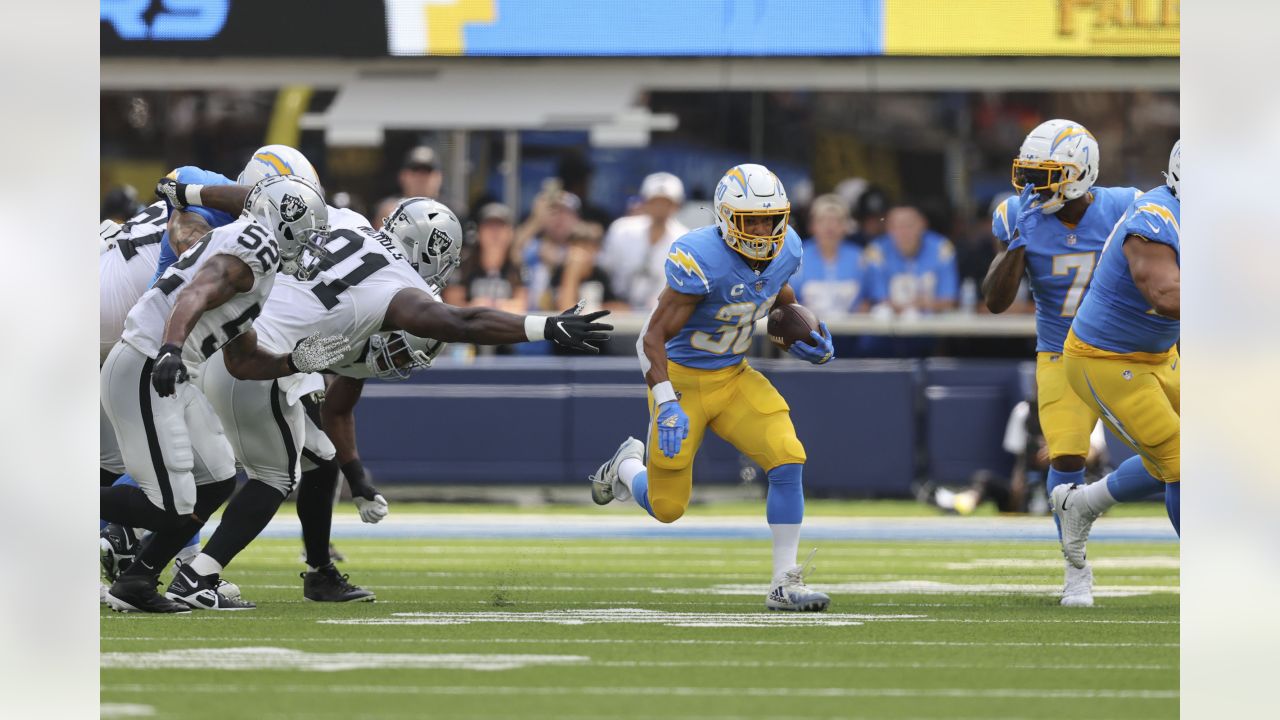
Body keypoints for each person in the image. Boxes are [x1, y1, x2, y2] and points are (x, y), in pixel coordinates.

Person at [156, 182, 612, 609]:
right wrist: (544, 325)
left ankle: (314, 571)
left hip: (226, 337)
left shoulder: (347, 220)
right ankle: (197, 574)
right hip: (264, 362)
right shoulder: (397, 290)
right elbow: (464, 323)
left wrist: (190, 191)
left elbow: (263, 197)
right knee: (273, 477)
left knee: (317, 457)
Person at [587, 164, 835, 612]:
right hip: (680, 381)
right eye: (750, 220)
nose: (762, 231)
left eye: (770, 219)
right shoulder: (700, 259)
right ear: (724, 218)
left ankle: (784, 582)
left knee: (787, 455)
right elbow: (651, 339)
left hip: (735, 375)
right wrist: (664, 404)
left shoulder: (788, 250)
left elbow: (776, 291)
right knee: (667, 508)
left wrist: (800, 331)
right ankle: (626, 466)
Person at [100, 175, 351, 613]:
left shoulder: (249, 248)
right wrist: (172, 348)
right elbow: (198, 291)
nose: (311, 246)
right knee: (171, 507)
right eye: (307, 231)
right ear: (284, 219)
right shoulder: (257, 243)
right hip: (148, 362)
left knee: (216, 480)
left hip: (166, 367)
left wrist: (295, 361)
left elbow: (242, 359)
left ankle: (137, 581)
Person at [981, 119, 1163, 607]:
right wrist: (1018, 239)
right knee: (1066, 456)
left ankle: (1091, 502)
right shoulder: (1016, 214)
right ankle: (1074, 570)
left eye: (1047, 174)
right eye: (1030, 173)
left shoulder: (1128, 205)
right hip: (1061, 352)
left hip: (1131, 349)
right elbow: (996, 300)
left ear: (1080, 173)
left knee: (1181, 453)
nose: (1033, 186)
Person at [1054, 140, 1182, 571]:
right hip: (1105, 358)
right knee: (1185, 464)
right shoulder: (1155, 218)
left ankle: (1085, 502)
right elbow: (1166, 295)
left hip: (1161, 353)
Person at [599, 172, 689, 311]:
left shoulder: (685, 239)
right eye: (655, 201)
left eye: (666, 202)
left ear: (677, 205)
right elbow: (604, 271)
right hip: (618, 309)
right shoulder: (622, 229)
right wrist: (609, 301)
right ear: (645, 202)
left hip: (662, 313)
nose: (660, 208)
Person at [792, 194, 866, 317]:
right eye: (822, 220)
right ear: (812, 225)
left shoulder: (860, 258)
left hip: (851, 333)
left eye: (837, 220)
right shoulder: (797, 256)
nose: (829, 226)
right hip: (807, 332)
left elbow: (868, 300)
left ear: (846, 226)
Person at [444, 202, 527, 313]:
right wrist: (472, 307)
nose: (495, 233)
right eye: (489, 226)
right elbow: (451, 303)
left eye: (500, 227)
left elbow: (522, 303)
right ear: (478, 232)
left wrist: (500, 306)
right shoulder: (463, 264)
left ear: (510, 233)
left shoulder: (517, 266)